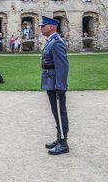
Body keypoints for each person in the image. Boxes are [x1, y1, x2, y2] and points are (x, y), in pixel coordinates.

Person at [39, 16, 69, 155]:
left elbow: (62, 65)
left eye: (43, 26)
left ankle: (63, 143)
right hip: (50, 81)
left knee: (59, 111)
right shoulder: (51, 41)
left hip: (55, 83)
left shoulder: (56, 42)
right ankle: (59, 137)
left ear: (51, 27)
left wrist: (60, 85)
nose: (41, 28)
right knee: (55, 111)